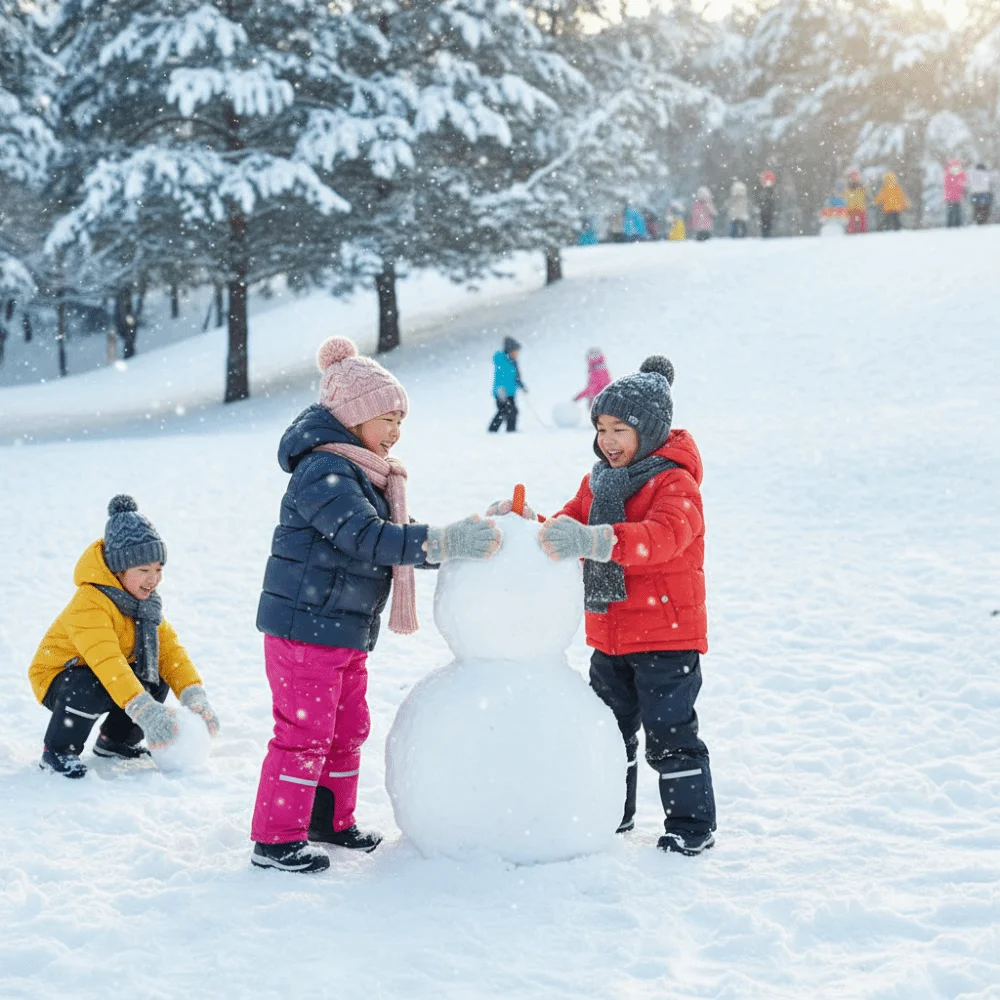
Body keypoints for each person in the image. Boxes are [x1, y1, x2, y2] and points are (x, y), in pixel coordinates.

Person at [251, 337, 502, 873]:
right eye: (386, 419)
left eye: (400, 423)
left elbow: (394, 536)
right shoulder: (324, 471)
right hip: (305, 630)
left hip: (342, 629)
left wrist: (465, 539)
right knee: (304, 734)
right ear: (353, 417)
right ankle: (275, 839)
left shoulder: (361, 471)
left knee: (346, 730)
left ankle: (329, 821)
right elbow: (369, 539)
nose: (394, 433)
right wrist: (446, 541)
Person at [511, 357, 715, 856]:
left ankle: (691, 824)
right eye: (601, 428)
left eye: (619, 429)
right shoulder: (598, 483)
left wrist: (596, 541)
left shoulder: (675, 484)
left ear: (648, 431)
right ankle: (611, 815)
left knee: (670, 735)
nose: (608, 440)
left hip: (666, 639)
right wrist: (525, 523)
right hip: (610, 637)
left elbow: (663, 538)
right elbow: (563, 528)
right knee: (608, 734)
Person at [28, 495, 219, 779]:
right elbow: (107, 661)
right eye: (143, 570)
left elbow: (170, 653)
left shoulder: (145, 604)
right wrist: (147, 712)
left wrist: (194, 696)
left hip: (106, 674)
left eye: (158, 569)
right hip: (61, 676)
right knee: (88, 682)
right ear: (118, 570)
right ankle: (58, 750)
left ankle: (115, 741)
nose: (153, 579)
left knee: (154, 671)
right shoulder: (90, 602)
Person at [489, 336, 525, 433]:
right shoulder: (502, 361)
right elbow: (501, 378)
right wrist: (500, 390)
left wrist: (521, 386)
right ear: (510, 350)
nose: (517, 354)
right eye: (515, 351)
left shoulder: (513, 363)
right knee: (505, 411)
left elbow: (516, 378)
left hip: (510, 393)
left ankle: (510, 430)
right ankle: (493, 430)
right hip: (502, 393)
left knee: (512, 412)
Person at [944, 159, 967, 228]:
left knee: (957, 212)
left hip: (956, 197)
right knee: (951, 212)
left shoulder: (958, 175)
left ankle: (957, 224)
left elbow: (963, 183)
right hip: (951, 197)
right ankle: (951, 225)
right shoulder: (948, 175)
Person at [846, 169, 868, 234]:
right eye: (853, 177)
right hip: (852, 208)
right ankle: (852, 234)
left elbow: (865, 194)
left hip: (860, 207)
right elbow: (846, 196)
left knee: (862, 224)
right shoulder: (849, 187)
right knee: (852, 224)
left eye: (855, 177)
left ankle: (863, 235)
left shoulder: (861, 186)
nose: (854, 178)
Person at [756, 171, 777, 237]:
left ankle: (767, 235)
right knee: (765, 224)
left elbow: (772, 201)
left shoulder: (771, 190)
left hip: (768, 210)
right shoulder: (762, 190)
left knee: (768, 224)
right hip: (764, 210)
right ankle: (765, 235)